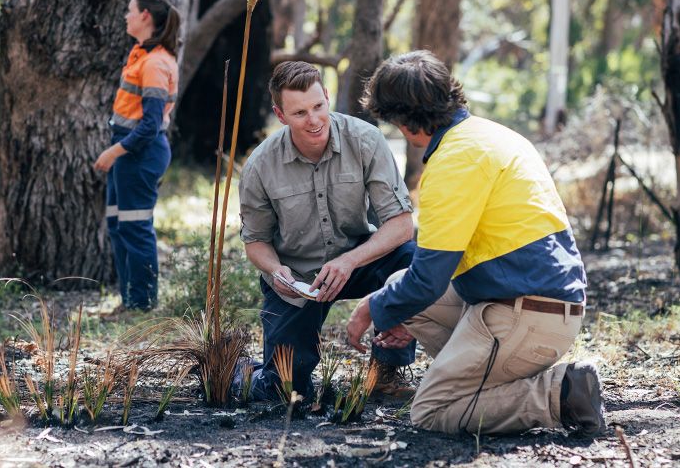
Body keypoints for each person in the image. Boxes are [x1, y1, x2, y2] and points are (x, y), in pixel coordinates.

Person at [346, 50, 605, 436]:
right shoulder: (491, 135)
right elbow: (426, 279)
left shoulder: (454, 161)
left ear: (404, 122)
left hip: (526, 314)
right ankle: (476, 377)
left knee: (432, 411)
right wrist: (397, 308)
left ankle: (560, 392)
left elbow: (428, 279)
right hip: (543, 306)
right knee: (398, 286)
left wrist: (371, 308)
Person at [238, 60, 417, 401]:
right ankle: (243, 370)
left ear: (328, 96)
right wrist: (277, 271)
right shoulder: (260, 166)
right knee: (284, 391)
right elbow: (256, 242)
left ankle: (386, 371)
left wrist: (349, 261)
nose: (315, 120)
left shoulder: (366, 140)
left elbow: (401, 224)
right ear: (280, 114)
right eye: (300, 113)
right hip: (297, 278)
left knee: (408, 259)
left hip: (358, 261)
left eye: (319, 106)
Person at [94, 0, 180, 313]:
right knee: (119, 226)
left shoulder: (157, 62)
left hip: (141, 154)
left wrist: (114, 152)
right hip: (129, 151)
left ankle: (142, 306)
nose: (126, 16)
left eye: (130, 10)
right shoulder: (140, 53)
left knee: (136, 226)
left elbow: (150, 125)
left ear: (145, 16)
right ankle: (129, 300)